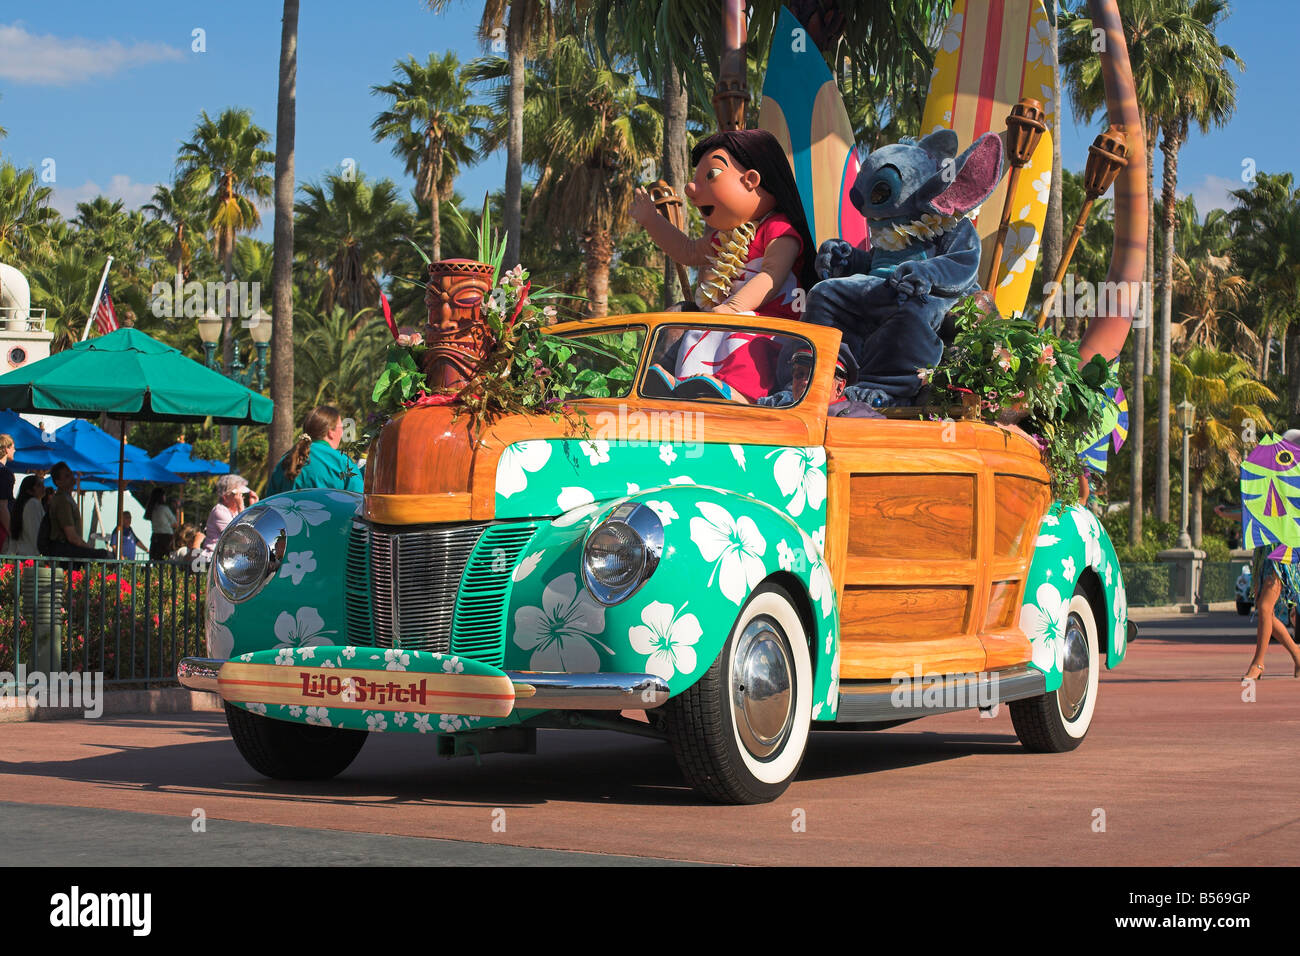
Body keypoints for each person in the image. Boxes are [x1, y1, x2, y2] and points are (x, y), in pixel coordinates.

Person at [631, 129, 816, 403]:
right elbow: (687, 251)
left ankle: (740, 394)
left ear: (752, 180)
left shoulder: (779, 227)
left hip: (768, 321)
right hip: (723, 318)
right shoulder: (722, 238)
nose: (692, 189)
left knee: (738, 333)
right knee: (697, 332)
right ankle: (684, 385)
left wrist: (730, 309)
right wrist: (652, 220)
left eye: (710, 176)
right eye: (694, 181)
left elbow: (771, 276)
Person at [1217, 429, 1300, 681]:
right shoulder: (1270, 482)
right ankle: (1297, 654)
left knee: (1264, 606)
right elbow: (1253, 514)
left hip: (1285, 550)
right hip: (1265, 550)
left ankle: (1258, 663)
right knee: (1267, 611)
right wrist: (1226, 513)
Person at [267, 406, 363, 495]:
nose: (342, 432)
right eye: (341, 427)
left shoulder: (285, 460)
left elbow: (269, 503)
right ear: (331, 432)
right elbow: (359, 503)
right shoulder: (342, 462)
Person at [46, 461, 108, 559]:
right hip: (64, 551)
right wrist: (90, 549)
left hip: (66, 550)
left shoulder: (67, 498)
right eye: (67, 476)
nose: (71, 477)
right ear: (58, 482)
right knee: (104, 556)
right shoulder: (62, 500)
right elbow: (71, 536)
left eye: (70, 473)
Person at [202, 474, 257, 554]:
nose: (242, 497)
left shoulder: (238, 510)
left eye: (243, 494)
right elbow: (240, 537)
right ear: (225, 497)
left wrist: (253, 507)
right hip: (213, 558)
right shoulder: (219, 511)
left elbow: (253, 533)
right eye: (238, 494)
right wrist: (241, 509)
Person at [8, 475, 44, 556]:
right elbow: (36, 531)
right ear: (29, 490)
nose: (43, 487)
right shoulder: (33, 503)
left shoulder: (22, 505)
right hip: (32, 555)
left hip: (20, 554)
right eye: (39, 485)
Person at [144, 487, 178, 561]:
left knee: (156, 561)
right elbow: (175, 524)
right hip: (166, 539)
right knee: (166, 561)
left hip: (155, 537)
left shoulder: (152, 509)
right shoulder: (164, 509)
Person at [0, 433, 15, 552]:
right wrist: (11, 532)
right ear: (6, 449)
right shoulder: (4, 473)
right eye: (13, 447)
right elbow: (2, 506)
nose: (15, 450)